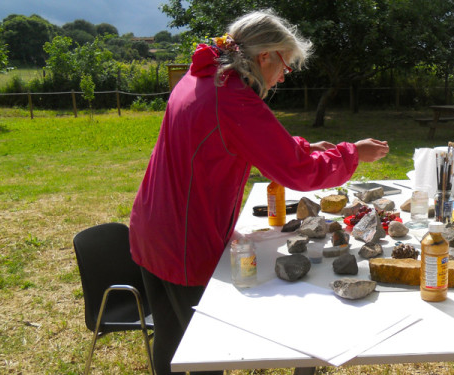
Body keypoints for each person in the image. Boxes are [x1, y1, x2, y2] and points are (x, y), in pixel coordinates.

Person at [128, 10, 389, 375]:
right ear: (264, 56)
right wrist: (351, 153)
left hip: (154, 226)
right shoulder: (232, 97)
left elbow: (247, 142)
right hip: (185, 238)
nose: (284, 75)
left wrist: (302, 146)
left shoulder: (202, 76)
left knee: (171, 337)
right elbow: (296, 172)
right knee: (207, 351)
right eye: (285, 64)